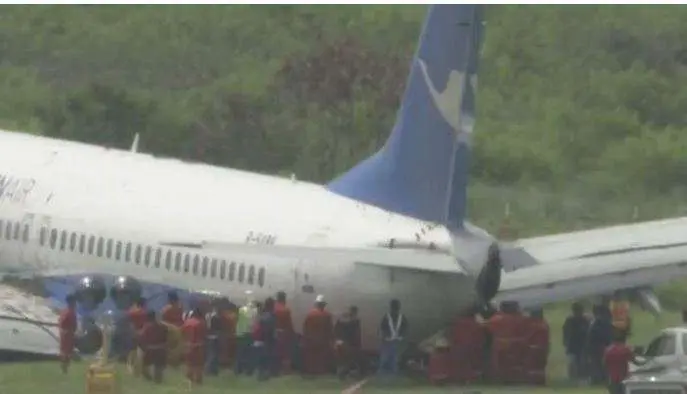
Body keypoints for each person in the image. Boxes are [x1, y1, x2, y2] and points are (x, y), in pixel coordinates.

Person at [450, 306, 486, 384]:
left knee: (460, 362)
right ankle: (471, 378)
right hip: (473, 344)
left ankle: (461, 378)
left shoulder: (457, 321)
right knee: (472, 361)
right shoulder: (476, 322)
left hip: (460, 344)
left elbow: (454, 333)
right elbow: (480, 333)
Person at [303, 294, 334, 376]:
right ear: (323, 305)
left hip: (311, 339)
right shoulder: (327, 315)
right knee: (321, 356)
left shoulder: (310, 314)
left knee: (312, 356)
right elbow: (329, 328)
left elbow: (305, 327)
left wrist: (306, 337)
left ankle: (312, 371)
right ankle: (321, 370)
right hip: (323, 339)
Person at [378, 299, 408, 377]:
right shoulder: (391, 317)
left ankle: (389, 372)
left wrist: (401, 337)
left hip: (394, 341)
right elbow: (382, 329)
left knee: (391, 358)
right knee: (389, 358)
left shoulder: (399, 317)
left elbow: (382, 328)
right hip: (390, 341)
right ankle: (387, 372)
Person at [563, 302, 590, 383]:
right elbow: (566, 332)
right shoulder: (570, 320)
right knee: (573, 363)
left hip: (582, 345)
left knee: (582, 362)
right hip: (573, 345)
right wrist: (566, 342)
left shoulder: (585, 320)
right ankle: (573, 378)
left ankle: (582, 377)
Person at [587, 303, 614, 385]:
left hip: (599, 346)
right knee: (598, 364)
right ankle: (599, 379)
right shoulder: (598, 322)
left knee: (599, 364)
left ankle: (600, 379)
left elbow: (604, 335)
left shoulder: (599, 322)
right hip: (598, 346)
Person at [334, 305, 362, 379]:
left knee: (343, 360)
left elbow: (337, 330)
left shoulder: (344, 320)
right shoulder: (355, 322)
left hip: (343, 343)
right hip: (349, 344)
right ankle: (347, 374)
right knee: (349, 360)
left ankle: (342, 373)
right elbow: (356, 334)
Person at [139, 311, 168, 383]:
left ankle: (149, 379)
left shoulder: (146, 327)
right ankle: (157, 381)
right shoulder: (162, 326)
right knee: (158, 367)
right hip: (160, 349)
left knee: (144, 367)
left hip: (150, 349)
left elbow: (142, 338)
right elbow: (166, 337)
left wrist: (143, 348)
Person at [235, 290, 258, 376]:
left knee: (240, 353)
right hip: (250, 333)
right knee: (249, 354)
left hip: (241, 333)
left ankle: (238, 370)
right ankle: (249, 371)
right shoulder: (255, 311)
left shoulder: (241, 310)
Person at [182, 307, 207, 386]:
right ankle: (198, 383)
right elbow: (204, 335)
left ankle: (190, 383)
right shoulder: (201, 323)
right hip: (198, 346)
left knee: (189, 365)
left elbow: (182, 333)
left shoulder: (187, 322)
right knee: (198, 366)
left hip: (187, 345)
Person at [524, 309, 549, 386]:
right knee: (541, 366)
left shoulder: (531, 324)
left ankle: (533, 382)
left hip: (533, 348)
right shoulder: (544, 324)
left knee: (532, 366)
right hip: (543, 348)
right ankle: (541, 381)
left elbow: (528, 337)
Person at [254, 297, 277, 381]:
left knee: (261, 359)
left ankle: (261, 374)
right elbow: (270, 329)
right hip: (266, 339)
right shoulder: (270, 316)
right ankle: (264, 375)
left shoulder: (262, 314)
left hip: (259, 339)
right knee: (266, 358)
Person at [274, 291, 294, 375]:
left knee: (275, 351)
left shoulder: (274, 308)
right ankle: (285, 370)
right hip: (283, 333)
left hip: (274, 332)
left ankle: (275, 368)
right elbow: (289, 324)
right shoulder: (286, 310)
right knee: (285, 352)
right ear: (284, 299)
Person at [127, 297, 148, 376]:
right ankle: (140, 369)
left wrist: (132, 307)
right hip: (142, 333)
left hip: (133, 333)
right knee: (141, 352)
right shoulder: (145, 313)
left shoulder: (132, 312)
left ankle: (131, 369)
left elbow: (128, 315)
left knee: (132, 351)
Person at [58, 294, 78, 374]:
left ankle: (65, 368)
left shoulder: (67, 311)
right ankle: (64, 368)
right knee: (66, 352)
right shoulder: (69, 312)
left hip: (69, 333)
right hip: (67, 334)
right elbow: (63, 323)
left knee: (67, 351)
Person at [205, 301, 223, 376]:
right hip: (215, 337)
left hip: (209, 336)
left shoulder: (208, 315)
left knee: (211, 354)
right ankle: (211, 370)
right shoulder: (216, 317)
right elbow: (218, 328)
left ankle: (212, 370)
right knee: (214, 354)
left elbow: (207, 326)